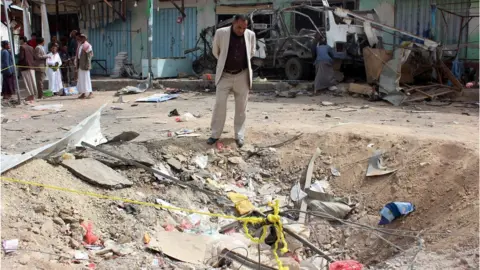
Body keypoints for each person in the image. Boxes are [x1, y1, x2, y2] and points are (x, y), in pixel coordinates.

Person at [207, 14, 256, 148]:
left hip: (242, 75)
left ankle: (239, 135)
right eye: (239, 27)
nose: (241, 30)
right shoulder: (221, 33)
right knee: (219, 105)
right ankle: (215, 135)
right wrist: (224, 62)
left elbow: (251, 52)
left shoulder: (250, 35)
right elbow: (215, 51)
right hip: (225, 75)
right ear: (233, 23)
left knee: (241, 108)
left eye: (244, 28)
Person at [18, 36, 37, 102]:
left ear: (22, 40)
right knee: (32, 82)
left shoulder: (22, 47)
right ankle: (33, 96)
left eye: (20, 40)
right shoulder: (31, 47)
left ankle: (30, 96)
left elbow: (21, 58)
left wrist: (18, 64)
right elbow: (34, 57)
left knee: (28, 82)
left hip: (25, 67)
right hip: (32, 67)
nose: (19, 42)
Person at [76, 34, 93, 99]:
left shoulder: (87, 46)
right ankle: (83, 93)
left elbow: (89, 56)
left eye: (83, 38)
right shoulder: (80, 45)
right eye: (80, 38)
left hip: (85, 65)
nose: (81, 39)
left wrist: (88, 65)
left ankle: (90, 92)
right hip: (80, 64)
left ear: (85, 39)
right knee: (81, 80)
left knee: (87, 79)